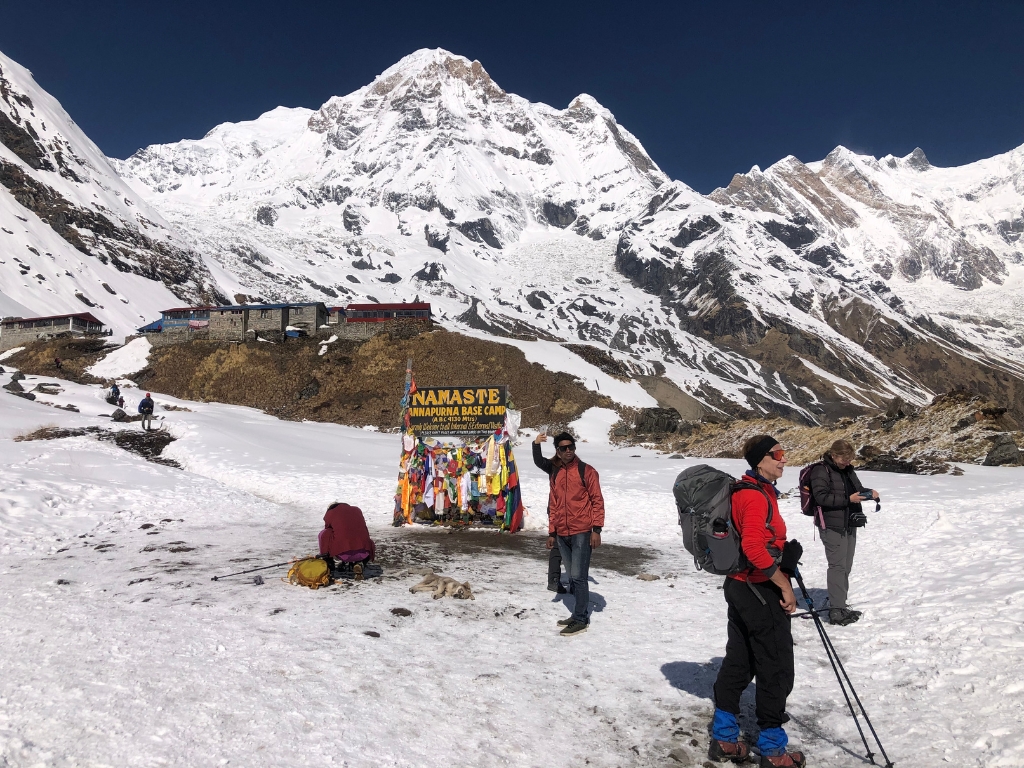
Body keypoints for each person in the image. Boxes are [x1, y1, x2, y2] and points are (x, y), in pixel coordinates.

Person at [709, 435, 805, 768]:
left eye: (783, 453)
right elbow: (752, 547)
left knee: (741, 659)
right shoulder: (754, 497)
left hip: (739, 587)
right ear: (760, 460)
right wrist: (784, 584)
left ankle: (724, 737)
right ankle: (773, 750)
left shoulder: (753, 490)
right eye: (777, 454)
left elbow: (759, 542)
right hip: (757, 590)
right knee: (776, 666)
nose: (783, 459)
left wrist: (783, 555)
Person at [533, 431, 605, 637]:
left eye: (571, 447)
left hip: (582, 531)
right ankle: (577, 614)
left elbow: (597, 501)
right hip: (562, 532)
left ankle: (581, 619)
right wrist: (552, 532)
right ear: (557, 450)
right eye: (563, 448)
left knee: (578, 577)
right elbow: (554, 504)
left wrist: (596, 529)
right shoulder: (556, 472)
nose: (568, 451)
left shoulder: (587, 471)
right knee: (574, 577)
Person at [808, 439, 878, 627]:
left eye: (849, 458)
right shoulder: (820, 470)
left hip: (849, 523)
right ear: (833, 454)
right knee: (837, 567)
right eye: (844, 458)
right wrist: (849, 499)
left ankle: (840, 605)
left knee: (846, 565)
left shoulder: (848, 470)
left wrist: (868, 493)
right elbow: (821, 497)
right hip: (831, 525)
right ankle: (836, 611)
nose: (847, 462)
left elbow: (857, 490)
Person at [318, 502, 376, 580]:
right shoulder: (357, 510)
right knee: (362, 537)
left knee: (325, 534)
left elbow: (327, 527)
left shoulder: (331, 513)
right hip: (364, 552)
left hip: (343, 553)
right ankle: (360, 563)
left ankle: (329, 564)